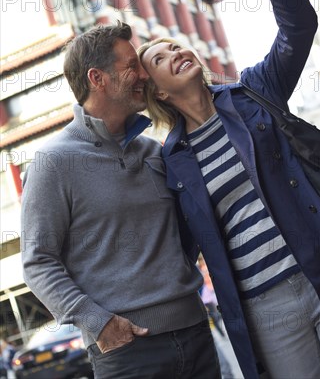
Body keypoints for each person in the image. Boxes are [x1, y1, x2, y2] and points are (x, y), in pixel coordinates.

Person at [137, 0, 320, 379]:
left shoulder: (253, 94)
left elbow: (298, 29)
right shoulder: (171, 160)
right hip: (266, 310)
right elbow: (174, 245)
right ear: (157, 90)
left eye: (175, 44)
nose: (176, 50)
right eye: (160, 57)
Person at [21, 22, 222, 379]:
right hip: (126, 353)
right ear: (97, 78)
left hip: (195, 333)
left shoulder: (155, 152)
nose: (144, 74)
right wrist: (98, 323)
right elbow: (38, 262)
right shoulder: (53, 162)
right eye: (132, 65)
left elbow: (186, 233)